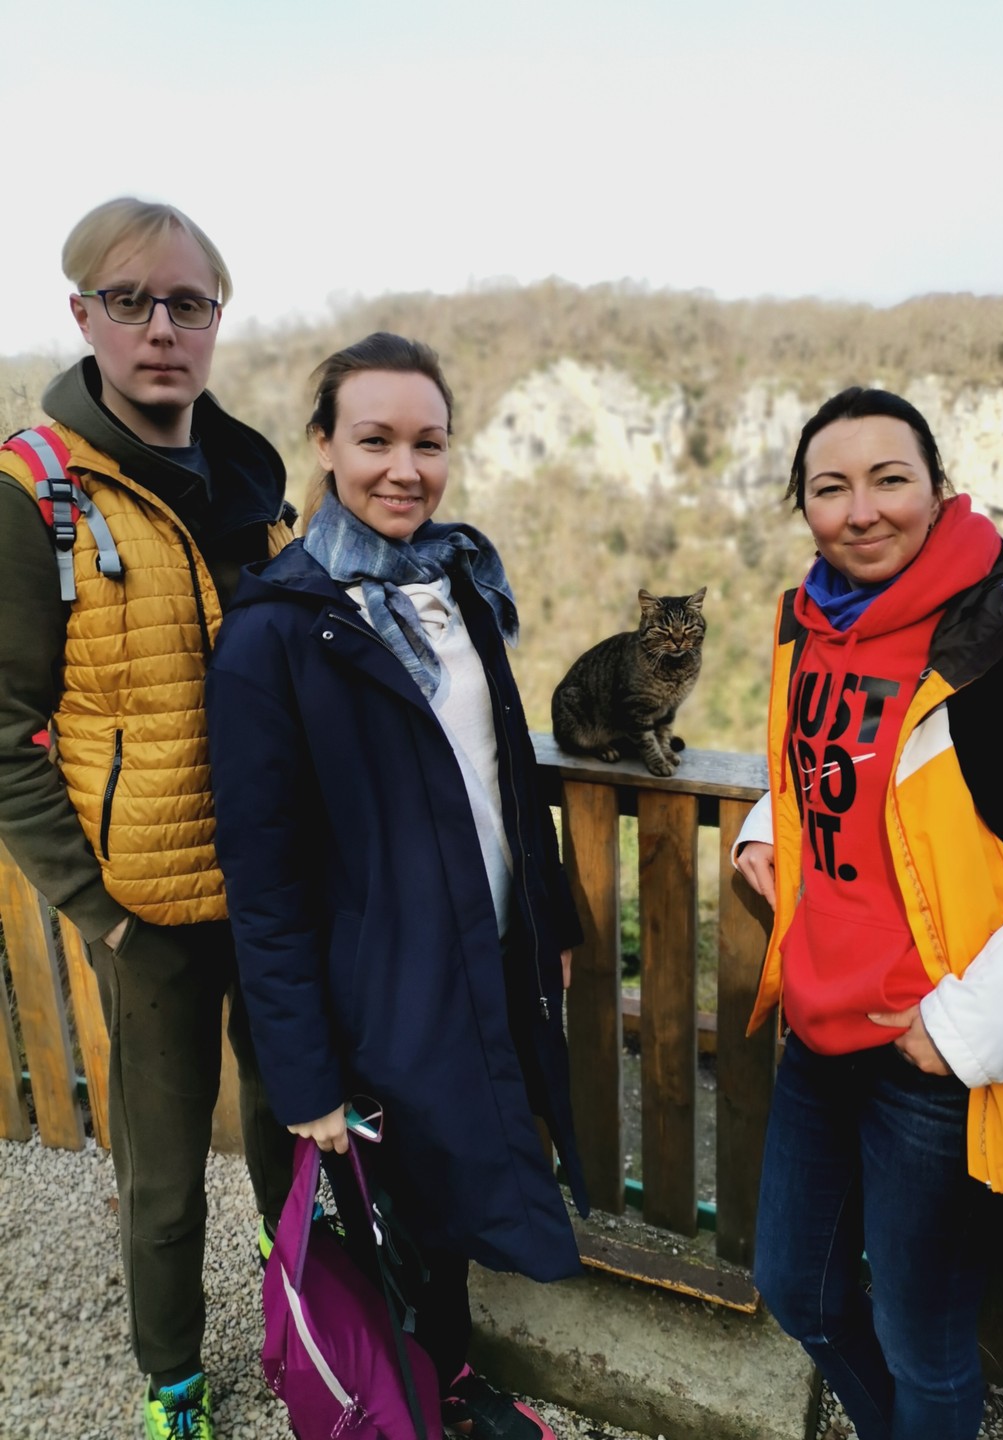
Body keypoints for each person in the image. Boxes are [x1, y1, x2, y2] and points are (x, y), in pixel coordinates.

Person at [206, 331, 589, 1440]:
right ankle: (406, 1403)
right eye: (375, 440)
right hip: (380, 989)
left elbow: (506, 771)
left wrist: (551, 917)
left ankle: (446, 1387)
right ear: (324, 445)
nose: (405, 470)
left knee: (452, 1196)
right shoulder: (277, 635)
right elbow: (264, 882)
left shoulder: (460, 583)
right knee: (399, 1219)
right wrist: (305, 1080)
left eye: (429, 443)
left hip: (486, 948)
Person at [0, 198, 297, 1440]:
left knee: (298, 1134)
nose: (161, 328)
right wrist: (101, 912)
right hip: (149, 906)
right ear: (84, 316)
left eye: (188, 303)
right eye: (131, 301)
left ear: (218, 319)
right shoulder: (34, 493)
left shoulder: (252, 478)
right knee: (165, 1177)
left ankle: (307, 1325)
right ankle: (174, 1382)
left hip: (277, 888)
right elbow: (5, 733)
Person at [733, 387, 1003, 1440]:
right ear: (803, 506)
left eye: (890, 479)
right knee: (796, 1289)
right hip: (818, 1028)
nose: (861, 510)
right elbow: (835, 759)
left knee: (923, 1341)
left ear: (938, 488)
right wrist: (766, 824)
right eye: (830, 488)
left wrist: (962, 1029)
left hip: (931, 1054)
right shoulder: (810, 622)